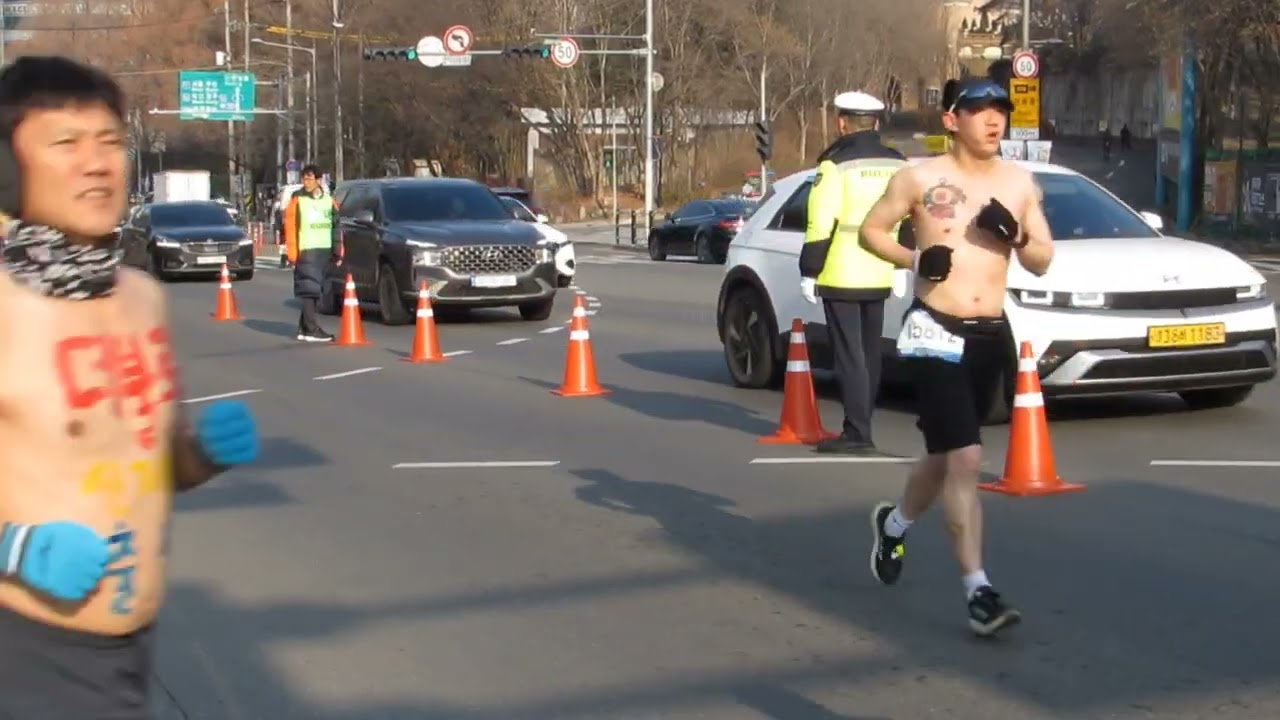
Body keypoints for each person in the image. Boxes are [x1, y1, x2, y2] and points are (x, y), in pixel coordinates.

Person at [0, 56, 261, 716]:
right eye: (65, 142)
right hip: (21, 660)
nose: (97, 163)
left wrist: (202, 454)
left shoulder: (143, 298)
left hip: (126, 660)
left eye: (110, 140)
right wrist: (17, 547)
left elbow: (158, 465)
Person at [856, 77, 1055, 637]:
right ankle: (979, 592)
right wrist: (915, 257)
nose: (994, 120)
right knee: (966, 457)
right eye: (979, 110)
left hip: (990, 333)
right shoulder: (918, 177)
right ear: (952, 119)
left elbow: (1043, 259)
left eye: (1001, 110)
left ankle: (893, 525)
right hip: (931, 328)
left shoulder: (1018, 184)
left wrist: (1016, 237)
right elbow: (871, 231)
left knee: (945, 458)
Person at [799, 91, 908, 455]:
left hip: (842, 271)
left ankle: (857, 431)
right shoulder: (897, 162)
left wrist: (809, 270)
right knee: (870, 352)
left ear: (841, 122)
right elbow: (910, 214)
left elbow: (820, 222)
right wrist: (903, 262)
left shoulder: (835, 164)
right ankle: (864, 423)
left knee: (849, 355)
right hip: (881, 269)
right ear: (876, 123)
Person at [283, 164, 340, 342]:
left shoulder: (328, 200)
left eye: (309, 178)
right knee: (309, 289)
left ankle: (304, 327)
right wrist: (292, 253)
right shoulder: (298, 199)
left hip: (324, 250)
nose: (306, 182)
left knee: (317, 289)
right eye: (304, 178)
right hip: (306, 249)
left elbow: (336, 226)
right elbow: (290, 227)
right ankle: (311, 329)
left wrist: (338, 249)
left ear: (318, 179)